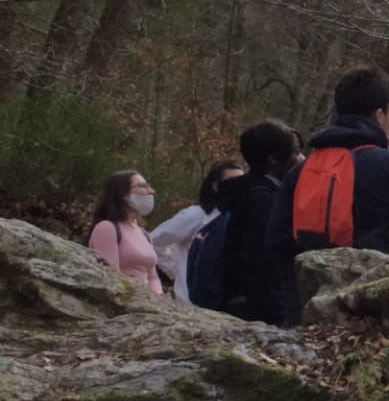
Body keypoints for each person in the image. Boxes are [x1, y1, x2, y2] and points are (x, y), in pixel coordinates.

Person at [265, 67, 389, 327]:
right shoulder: (385, 163)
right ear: (380, 115)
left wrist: (296, 307)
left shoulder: (302, 170)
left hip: (309, 309)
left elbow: (277, 241)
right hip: (370, 307)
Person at [209, 120, 302, 322]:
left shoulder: (242, 192)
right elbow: (263, 263)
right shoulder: (263, 201)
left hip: (239, 302)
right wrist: (281, 313)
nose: (300, 158)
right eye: (294, 152)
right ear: (274, 159)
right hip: (257, 311)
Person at [151, 160, 242, 305]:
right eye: (232, 181)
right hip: (190, 301)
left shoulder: (241, 217)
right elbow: (154, 241)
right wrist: (175, 270)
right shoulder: (195, 215)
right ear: (215, 186)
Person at [87, 169, 164, 295]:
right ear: (123, 194)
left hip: (148, 303)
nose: (151, 191)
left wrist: (158, 300)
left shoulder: (143, 233)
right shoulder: (106, 228)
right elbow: (111, 277)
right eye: (142, 186)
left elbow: (153, 277)